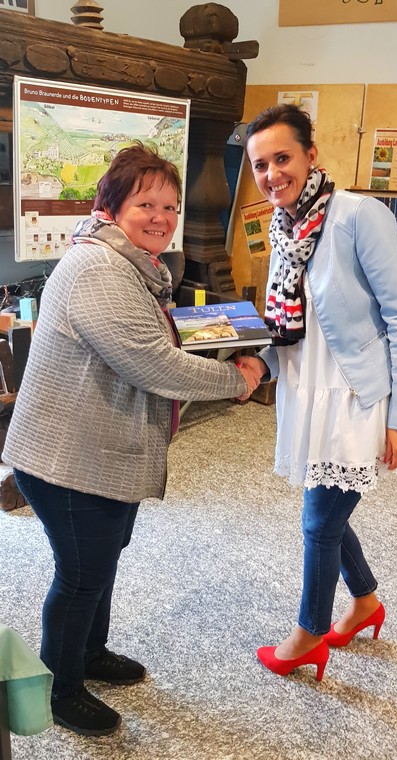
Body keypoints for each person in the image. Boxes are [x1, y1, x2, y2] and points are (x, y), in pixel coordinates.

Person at [2, 142, 261, 736]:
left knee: (101, 559)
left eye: (170, 206)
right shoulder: (99, 269)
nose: (162, 218)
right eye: (147, 204)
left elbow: (154, 343)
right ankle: (60, 688)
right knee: (81, 574)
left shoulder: (133, 265)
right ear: (111, 207)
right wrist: (237, 379)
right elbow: (153, 362)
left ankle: (89, 653)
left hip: (101, 453)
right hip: (69, 459)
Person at [238, 104, 397, 682]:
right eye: (260, 165)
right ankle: (365, 602)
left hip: (351, 398)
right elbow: (288, 327)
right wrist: (258, 364)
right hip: (304, 393)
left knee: (319, 523)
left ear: (311, 154)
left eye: (283, 158)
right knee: (326, 515)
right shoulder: (282, 228)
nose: (272, 174)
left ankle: (308, 635)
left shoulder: (358, 215)